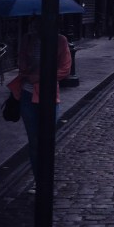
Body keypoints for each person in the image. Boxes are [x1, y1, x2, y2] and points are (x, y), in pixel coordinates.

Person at [6, 17, 71, 189]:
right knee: (34, 141)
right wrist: (29, 69)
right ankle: (39, 180)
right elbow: (21, 65)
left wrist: (42, 76)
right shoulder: (28, 39)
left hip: (49, 96)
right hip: (28, 95)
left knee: (47, 140)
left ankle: (47, 178)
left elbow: (65, 69)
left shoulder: (60, 40)